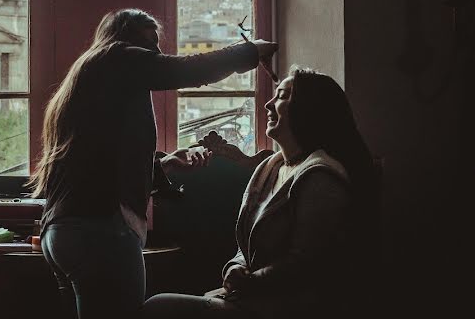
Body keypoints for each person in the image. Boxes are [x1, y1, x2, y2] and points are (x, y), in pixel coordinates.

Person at [29, 8, 277, 319]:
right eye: (151, 44)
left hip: (62, 232)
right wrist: (251, 51)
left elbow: (101, 161)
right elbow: (188, 69)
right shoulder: (119, 57)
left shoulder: (88, 73)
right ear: (126, 38)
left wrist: (166, 164)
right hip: (100, 232)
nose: (157, 53)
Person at [142, 67, 377, 319]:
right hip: (252, 296)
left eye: (282, 96)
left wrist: (249, 282)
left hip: (287, 307)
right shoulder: (271, 166)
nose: (267, 104)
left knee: (159, 307)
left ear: (308, 109)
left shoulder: (321, 177)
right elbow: (247, 245)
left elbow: (305, 264)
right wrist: (236, 266)